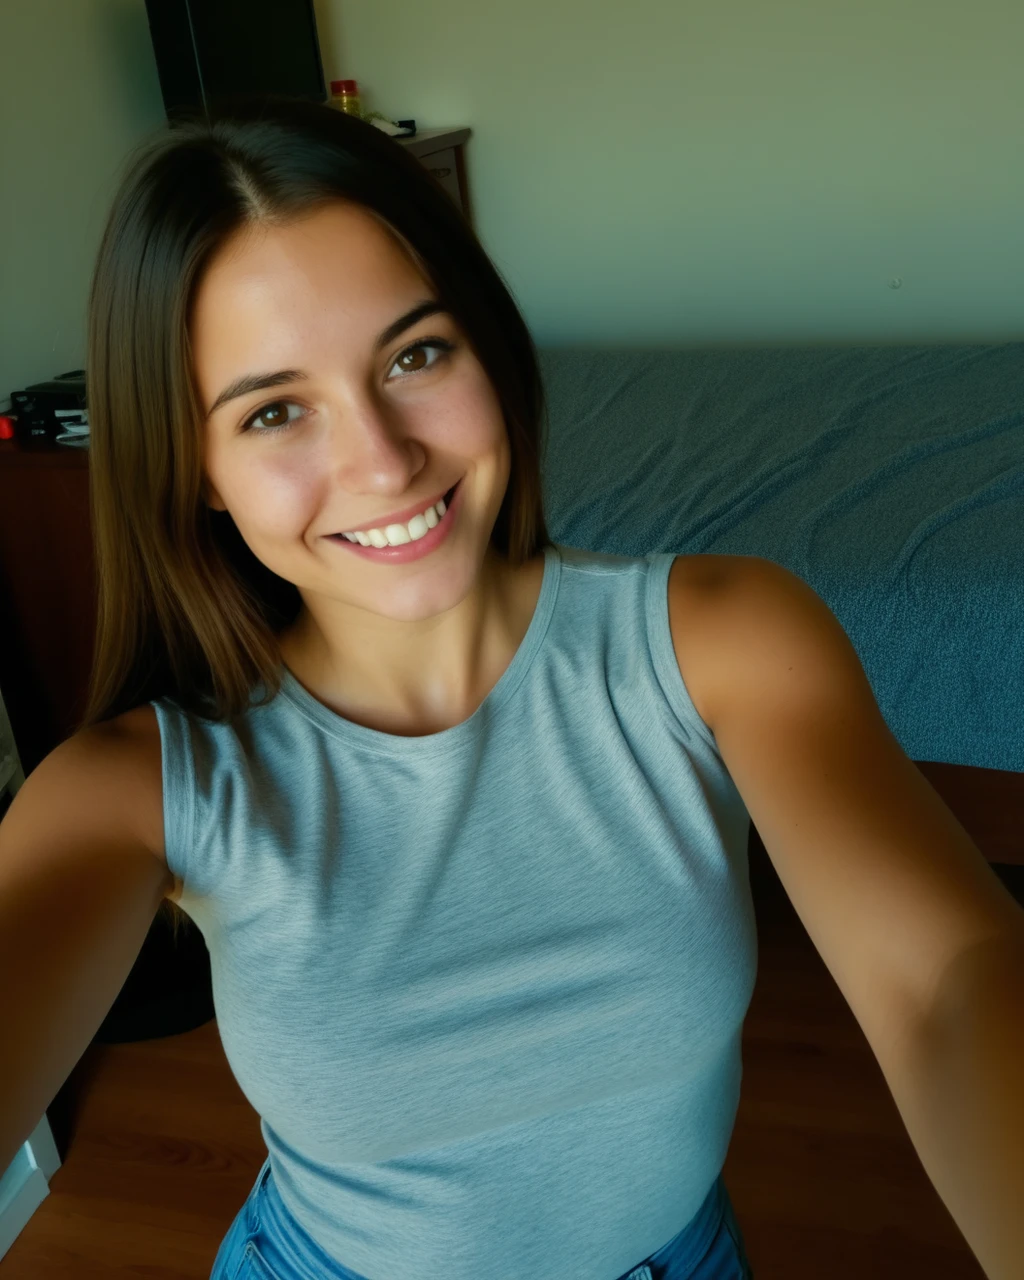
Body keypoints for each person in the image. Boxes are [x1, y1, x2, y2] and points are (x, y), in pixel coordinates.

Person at [11, 97, 1021, 1278]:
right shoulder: (139, 788)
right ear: (198, 472)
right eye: (276, 411)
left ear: (490, 349)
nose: (383, 461)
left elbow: (949, 979)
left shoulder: (722, 639)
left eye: (415, 354)